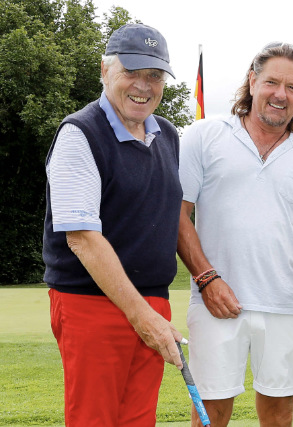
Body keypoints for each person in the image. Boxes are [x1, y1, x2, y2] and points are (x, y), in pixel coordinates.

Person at [177, 42, 293, 427]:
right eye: (271, 82)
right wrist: (206, 279)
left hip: (282, 303)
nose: (281, 94)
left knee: (280, 414)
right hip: (215, 301)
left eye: (292, 88)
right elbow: (177, 215)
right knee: (211, 412)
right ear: (252, 82)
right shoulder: (203, 136)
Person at [42, 23, 184, 426]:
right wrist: (143, 317)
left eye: (154, 76)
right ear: (105, 70)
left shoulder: (168, 136)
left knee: (139, 420)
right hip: (90, 303)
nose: (143, 85)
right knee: (95, 419)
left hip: (153, 302)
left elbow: (171, 216)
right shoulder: (79, 133)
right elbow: (83, 239)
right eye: (131, 72)